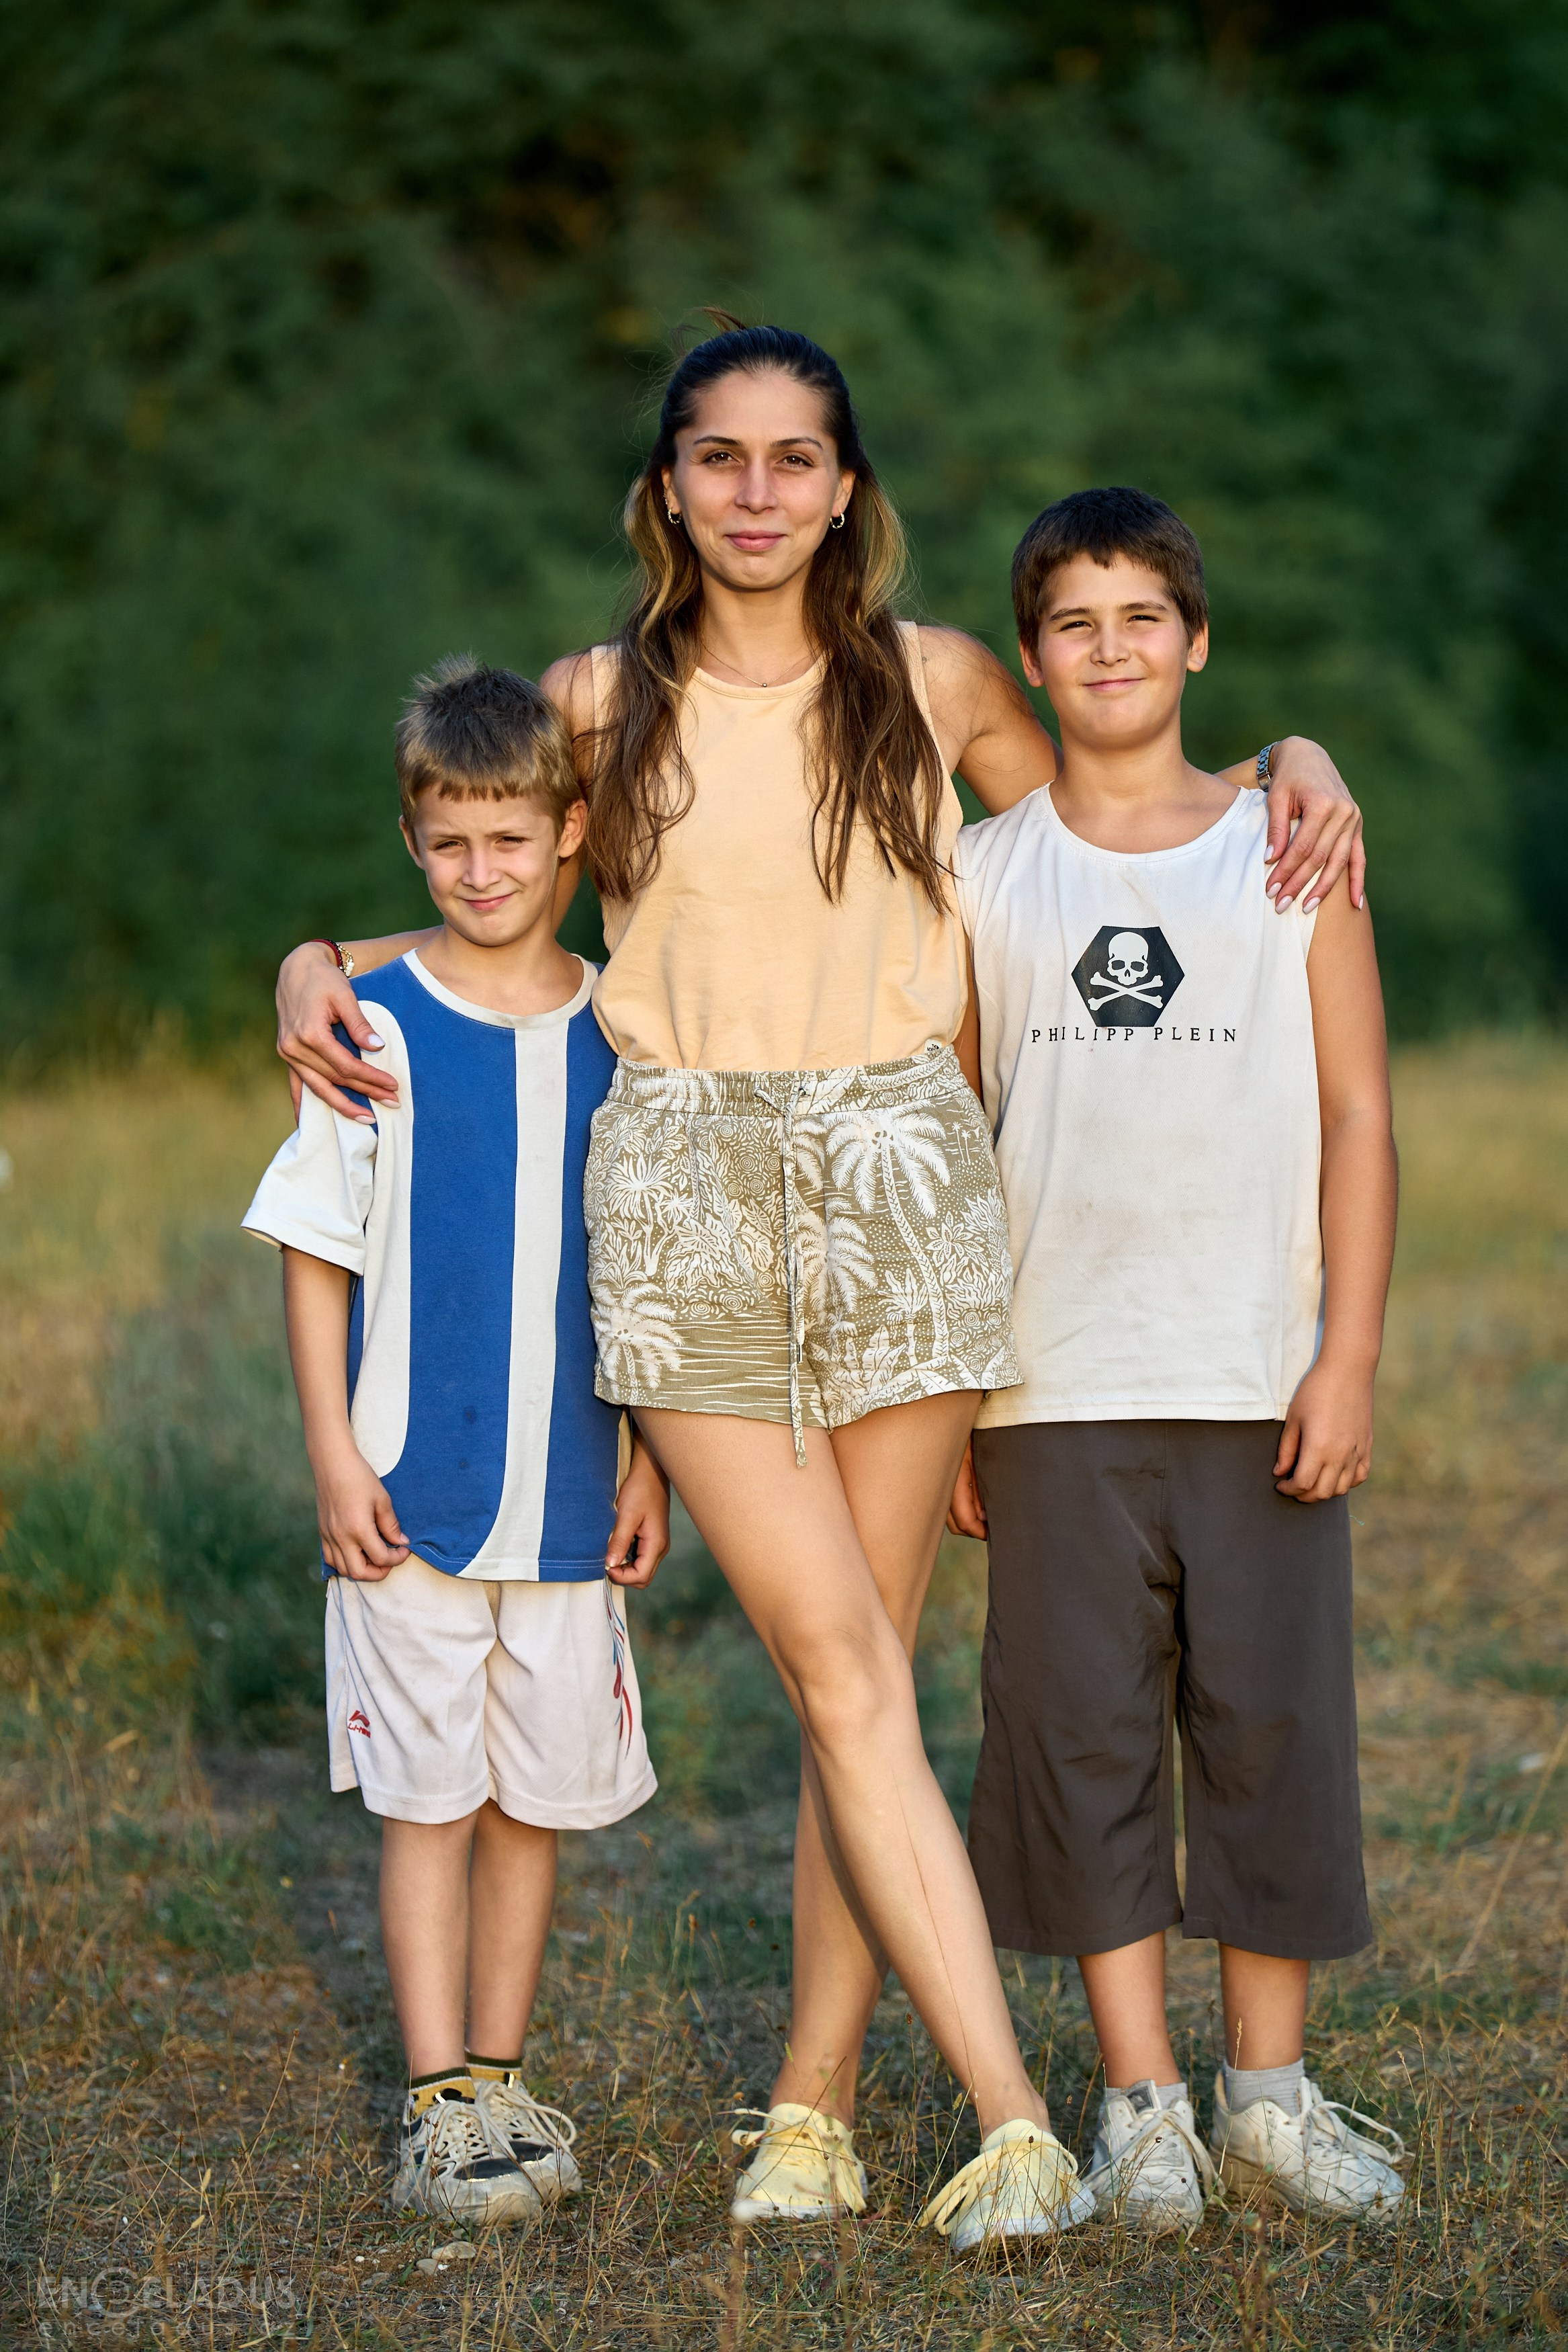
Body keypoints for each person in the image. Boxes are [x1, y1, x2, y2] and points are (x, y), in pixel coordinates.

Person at [270, 324, 1366, 2251]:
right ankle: (1018, 2122)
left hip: (904, 1180)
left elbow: (1121, 793)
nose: (758, 491)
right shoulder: (596, 700)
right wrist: (314, 952)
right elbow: (498, 890)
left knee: (855, 1674)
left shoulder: (936, 684)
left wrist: (1293, 753)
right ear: (668, 489)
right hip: (685, 1182)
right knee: (834, 1665)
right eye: (718, 457)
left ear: (844, 486)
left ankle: (813, 2104)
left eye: (795, 457)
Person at [949, 486, 1405, 2233]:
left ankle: (1265, 2095)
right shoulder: (983, 875)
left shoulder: (1285, 846)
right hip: (1046, 1379)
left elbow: (1358, 1112)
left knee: (1270, 1727)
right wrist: (957, 1407)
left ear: (1193, 640)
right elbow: (956, 1121)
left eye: (1141, 615)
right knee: (1078, 1742)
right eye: (1072, 622)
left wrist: (1342, 1350)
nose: (1110, 647)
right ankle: (1139, 2103)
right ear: (1030, 661)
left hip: (1252, 1368)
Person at [243, 661, 668, 2226]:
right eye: (449, 845)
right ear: (413, 842)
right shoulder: (377, 1024)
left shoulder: (629, 1029)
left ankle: (500, 2075)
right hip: (406, 1501)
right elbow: (314, 1252)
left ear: (571, 833)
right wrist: (333, 1460)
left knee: (533, 1803)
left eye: (512, 838)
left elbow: (655, 1272)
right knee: (429, 1803)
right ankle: (436, 2107)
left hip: (568, 1496)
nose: (482, 872)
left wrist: (653, 1460)